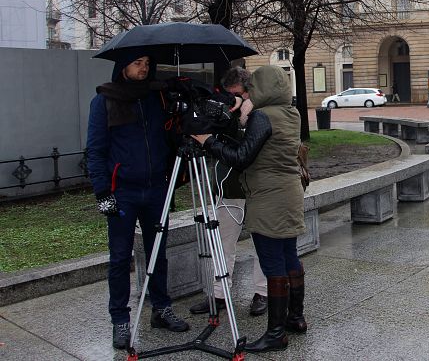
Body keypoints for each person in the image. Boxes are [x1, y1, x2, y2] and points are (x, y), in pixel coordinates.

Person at [192, 65, 306, 352]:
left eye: (253, 87)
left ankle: (276, 333)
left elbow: (241, 157)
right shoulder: (291, 112)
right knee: (289, 256)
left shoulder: (262, 116)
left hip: (268, 197)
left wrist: (209, 142)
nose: (250, 91)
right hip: (289, 193)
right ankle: (296, 318)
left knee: (272, 263)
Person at [87, 52, 190, 350]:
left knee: (158, 252)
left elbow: (169, 136)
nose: (143, 68)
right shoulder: (105, 100)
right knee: (120, 257)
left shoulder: (155, 98)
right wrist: (102, 192)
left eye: (147, 63)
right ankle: (120, 319)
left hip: (156, 188)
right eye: (137, 63)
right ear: (123, 67)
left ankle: (161, 308)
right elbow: (95, 151)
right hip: (123, 192)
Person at [187, 66, 269, 318]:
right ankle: (219, 294)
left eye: (238, 94)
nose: (234, 100)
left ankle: (262, 293)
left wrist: (248, 112)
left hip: (257, 186)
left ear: (249, 90)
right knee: (223, 243)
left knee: (262, 242)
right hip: (228, 183)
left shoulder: (263, 111)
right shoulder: (224, 110)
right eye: (229, 95)